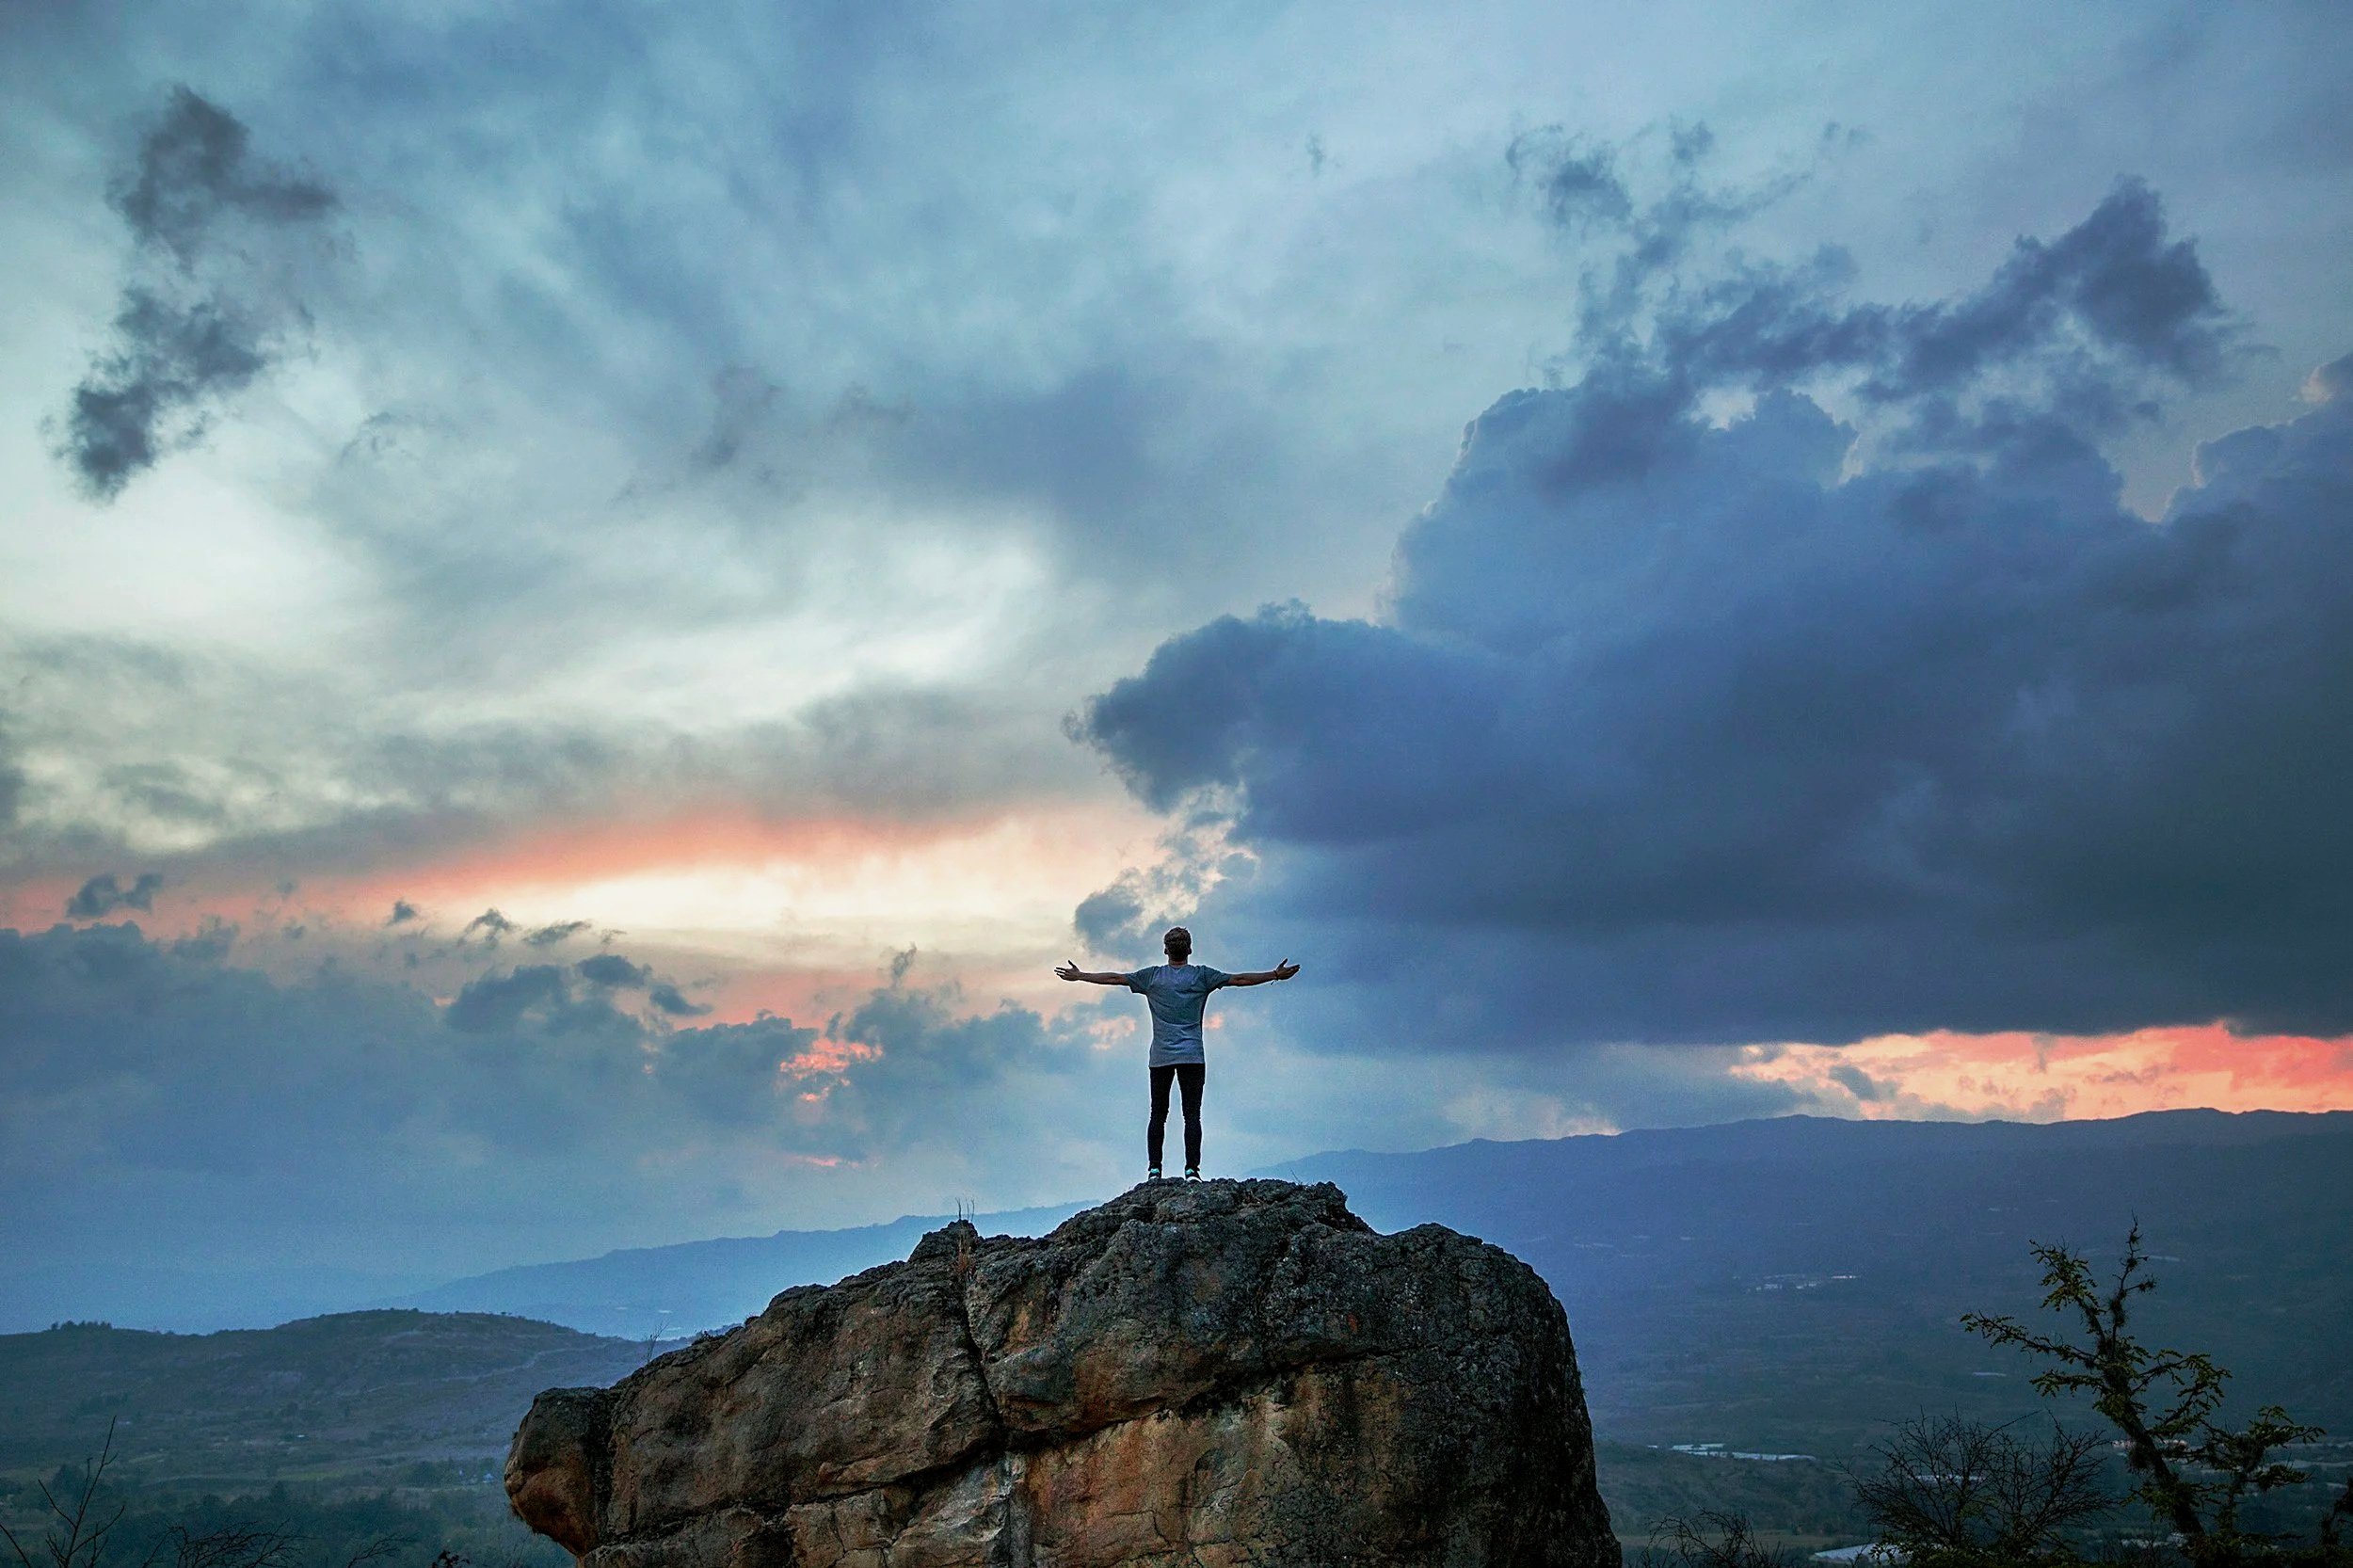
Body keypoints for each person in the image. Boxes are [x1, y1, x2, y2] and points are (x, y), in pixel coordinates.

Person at [1057, 927, 1300, 1182]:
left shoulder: (1152, 977)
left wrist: (1081, 975)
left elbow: (1115, 979)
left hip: (1161, 1056)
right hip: (1192, 1055)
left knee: (1158, 1114)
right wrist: (1274, 974)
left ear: (1165, 950)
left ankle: (1154, 1170)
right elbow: (1240, 980)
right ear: (1190, 949)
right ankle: (1192, 1170)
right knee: (1192, 1114)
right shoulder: (1202, 976)